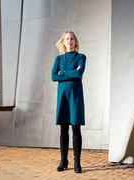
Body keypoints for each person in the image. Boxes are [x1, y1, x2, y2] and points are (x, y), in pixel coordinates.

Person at [51, 31, 86, 173]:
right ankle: (63, 160)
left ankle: (77, 162)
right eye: (67, 39)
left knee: (76, 129)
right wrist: (71, 73)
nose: (69, 41)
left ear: (75, 42)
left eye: (72, 39)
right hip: (63, 98)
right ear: (63, 42)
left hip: (76, 97)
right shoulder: (59, 59)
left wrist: (63, 74)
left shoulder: (81, 57)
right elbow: (53, 76)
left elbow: (79, 73)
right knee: (63, 129)